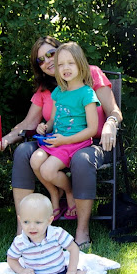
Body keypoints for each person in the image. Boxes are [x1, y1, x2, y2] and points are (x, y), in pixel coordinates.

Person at [0, 36, 122, 251]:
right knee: (23, 151)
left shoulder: (90, 76)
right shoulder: (49, 90)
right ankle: (23, 231)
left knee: (81, 158)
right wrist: (5, 139)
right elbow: (29, 123)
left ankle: (82, 230)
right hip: (57, 140)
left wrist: (110, 123)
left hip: (93, 143)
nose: (48, 61)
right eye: (41, 60)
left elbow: (113, 111)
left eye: (51, 54)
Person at [30, 42, 100, 221]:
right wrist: (45, 126)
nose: (65, 68)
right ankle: (55, 192)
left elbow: (92, 129)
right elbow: (53, 120)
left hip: (75, 143)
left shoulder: (87, 93)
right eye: (60, 64)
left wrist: (64, 141)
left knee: (47, 170)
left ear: (80, 64)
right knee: (35, 160)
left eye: (70, 63)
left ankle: (69, 192)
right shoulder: (58, 92)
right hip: (57, 140)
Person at [6, 193, 85, 274]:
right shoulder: (20, 242)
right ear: (20, 220)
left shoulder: (57, 233)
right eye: (26, 222)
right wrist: (21, 270)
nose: (31, 227)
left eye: (38, 222)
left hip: (61, 273)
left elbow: (74, 248)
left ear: (49, 221)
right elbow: (11, 258)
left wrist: (71, 271)